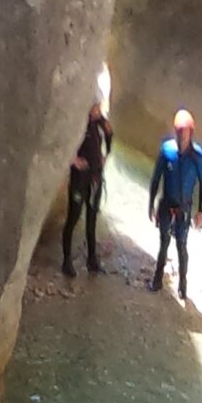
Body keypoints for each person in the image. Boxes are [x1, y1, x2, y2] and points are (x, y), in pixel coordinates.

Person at [148, 108, 202, 299]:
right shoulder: (167, 150)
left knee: (181, 246)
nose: (183, 135)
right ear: (175, 131)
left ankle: (183, 284)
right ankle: (157, 279)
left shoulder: (197, 156)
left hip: (184, 208)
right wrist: (151, 204)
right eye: (180, 131)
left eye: (186, 132)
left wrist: (201, 211)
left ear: (191, 132)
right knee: (164, 242)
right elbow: (156, 178)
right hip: (166, 204)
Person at [62, 95, 113, 279]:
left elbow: (110, 135)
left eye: (98, 107)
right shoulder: (79, 123)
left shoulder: (99, 124)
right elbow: (63, 143)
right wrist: (73, 160)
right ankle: (66, 261)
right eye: (94, 106)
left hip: (95, 178)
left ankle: (92, 260)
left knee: (92, 219)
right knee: (73, 217)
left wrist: (106, 154)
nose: (96, 109)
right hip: (80, 178)